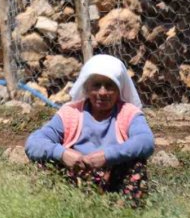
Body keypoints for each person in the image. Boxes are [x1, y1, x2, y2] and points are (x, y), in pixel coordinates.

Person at [25, 54, 154, 207]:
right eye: (96, 85)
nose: (103, 92)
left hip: (114, 180)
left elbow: (146, 141)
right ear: (86, 88)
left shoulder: (128, 114)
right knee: (45, 161)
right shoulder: (71, 114)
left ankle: (127, 211)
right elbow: (34, 142)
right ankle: (53, 208)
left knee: (136, 162)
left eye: (110, 85)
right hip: (75, 179)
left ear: (119, 89)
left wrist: (107, 156)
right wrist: (63, 154)